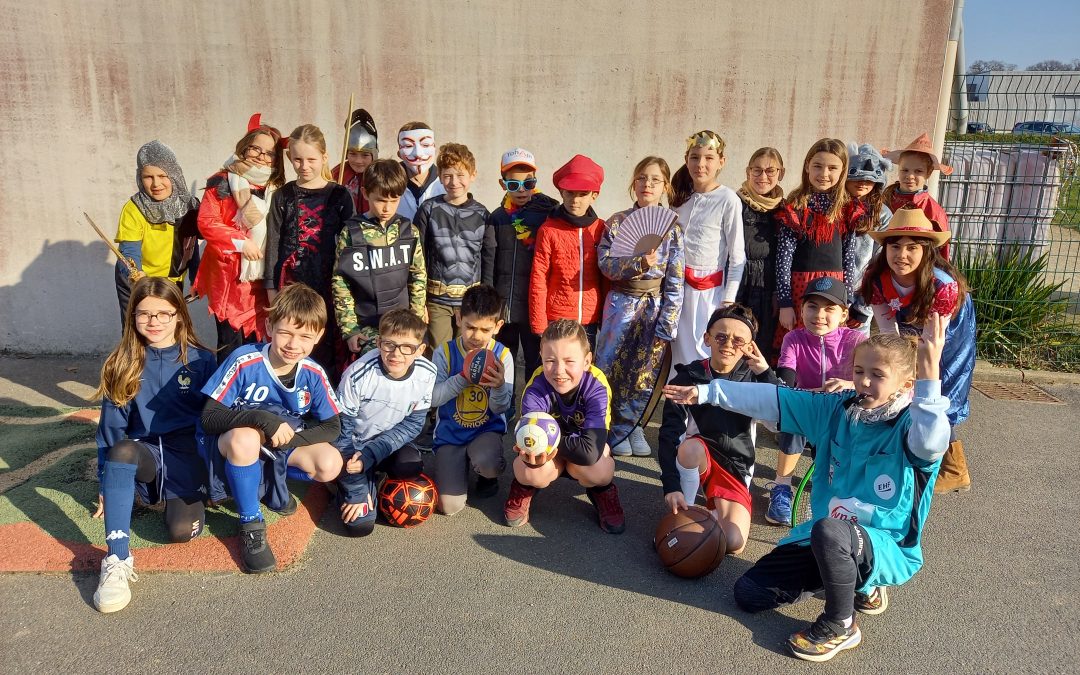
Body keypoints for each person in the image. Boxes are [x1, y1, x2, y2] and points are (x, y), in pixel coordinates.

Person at [664, 317, 953, 663]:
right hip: (823, 538)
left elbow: (932, 442)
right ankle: (851, 579)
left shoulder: (914, 425)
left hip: (886, 545)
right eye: (859, 371)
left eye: (877, 375)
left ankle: (841, 623)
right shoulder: (837, 408)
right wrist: (708, 391)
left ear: (906, 384)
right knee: (749, 593)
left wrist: (930, 381)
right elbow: (774, 399)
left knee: (832, 532)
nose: (864, 381)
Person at [91, 277, 217, 613]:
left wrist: (219, 479)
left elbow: (218, 421)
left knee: (180, 532)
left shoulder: (203, 361)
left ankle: (183, 497)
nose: (154, 322)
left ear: (180, 315)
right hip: (145, 453)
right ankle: (116, 559)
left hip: (188, 457)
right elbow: (111, 430)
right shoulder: (122, 362)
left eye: (163, 313)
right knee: (122, 451)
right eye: (144, 314)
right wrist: (106, 479)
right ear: (132, 317)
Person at [198, 284, 344, 573]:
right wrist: (262, 419)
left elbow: (332, 426)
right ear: (269, 326)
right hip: (230, 444)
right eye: (286, 332)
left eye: (305, 336)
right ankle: (250, 523)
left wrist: (286, 443)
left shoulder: (313, 372)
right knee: (247, 437)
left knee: (330, 463)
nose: (293, 344)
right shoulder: (245, 359)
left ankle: (264, 479)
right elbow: (209, 417)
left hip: (276, 447)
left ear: (318, 336)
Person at [861, 207, 975, 493]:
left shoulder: (943, 286)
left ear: (926, 251)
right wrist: (897, 371)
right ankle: (906, 454)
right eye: (895, 246)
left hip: (948, 330)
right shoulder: (876, 279)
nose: (902, 255)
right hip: (910, 326)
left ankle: (952, 467)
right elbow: (889, 333)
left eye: (912, 247)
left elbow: (931, 343)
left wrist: (913, 374)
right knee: (897, 379)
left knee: (941, 385)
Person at [658, 303, 778, 555]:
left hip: (734, 466)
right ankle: (685, 512)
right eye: (721, 336)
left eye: (738, 340)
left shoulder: (755, 379)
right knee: (690, 448)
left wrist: (766, 373)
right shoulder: (687, 377)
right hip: (696, 458)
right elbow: (669, 435)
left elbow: (778, 424)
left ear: (748, 347)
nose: (727, 344)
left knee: (732, 543)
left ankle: (711, 511)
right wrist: (671, 486)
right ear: (707, 338)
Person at [595, 156, 684, 456]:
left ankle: (634, 429)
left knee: (645, 370)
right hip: (620, 303)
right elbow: (606, 265)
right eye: (642, 178)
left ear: (665, 186)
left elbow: (675, 278)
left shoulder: (672, 228)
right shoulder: (617, 222)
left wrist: (668, 320)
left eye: (655, 180)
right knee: (610, 365)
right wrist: (637, 262)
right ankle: (609, 429)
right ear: (633, 183)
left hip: (655, 304)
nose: (647, 184)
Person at [503, 319, 626, 534]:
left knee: (599, 468)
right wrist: (533, 453)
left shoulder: (596, 385)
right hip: (559, 454)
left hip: (580, 454)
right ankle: (524, 487)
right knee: (529, 468)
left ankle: (602, 491)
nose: (559, 370)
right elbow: (531, 444)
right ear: (541, 357)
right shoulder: (536, 387)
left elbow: (589, 453)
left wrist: (547, 442)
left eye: (570, 361)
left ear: (587, 361)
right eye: (550, 360)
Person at [769, 277, 866, 525]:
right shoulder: (793, 339)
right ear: (801, 310)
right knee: (793, 410)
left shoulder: (856, 341)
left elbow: (871, 380)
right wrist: (803, 395)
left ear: (844, 314)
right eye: (812, 306)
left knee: (831, 466)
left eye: (829, 308)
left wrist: (847, 385)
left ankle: (829, 496)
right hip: (809, 409)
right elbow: (786, 380)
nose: (819, 314)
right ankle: (782, 486)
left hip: (842, 414)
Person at [334, 309, 437, 536]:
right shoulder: (356, 375)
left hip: (386, 446)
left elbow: (413, 424)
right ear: (379, 342)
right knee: (360, 527)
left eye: (407, 347)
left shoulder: (427, 372)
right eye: (389, 344)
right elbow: (341, 432)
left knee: (410, 464)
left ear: (420, 350)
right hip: (353, 449)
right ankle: (349, 482)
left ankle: (377, 480)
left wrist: (372, 454)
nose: (396, 354)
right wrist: (357, 486)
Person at [193, 113, 286, 362]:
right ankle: (226, 396)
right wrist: (240, 242)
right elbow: (207, 223)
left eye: (269, 153)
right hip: (229, 278)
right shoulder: (222, 183)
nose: (261, 156)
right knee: (230, 343)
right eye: (256, 148)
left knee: (261, 341)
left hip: (263, 279)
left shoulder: (278, 188)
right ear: (244, 147)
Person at [263, 124, 354, 373]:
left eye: (311, 159)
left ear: (324, 157)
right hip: (290, 284)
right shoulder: (283, 196)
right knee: (292, 343)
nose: (304, 166)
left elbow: (351, 246)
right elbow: (273, 243)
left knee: (325, 345)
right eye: (297, 160)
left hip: (328, 286)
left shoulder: (340, 196)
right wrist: (271, 290)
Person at [331, 158, 427, 361]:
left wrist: (416, 322)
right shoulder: (351, 232)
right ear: (365, 193)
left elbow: (418, 277)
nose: (387, 208)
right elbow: (341, 282)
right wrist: (350, 329)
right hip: (367, 328)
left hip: (403, 327)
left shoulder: (409, 231)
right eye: (381, 200)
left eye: (394, 200)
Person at [430, 285, 513, 514]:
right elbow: (433, 399)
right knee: (449, 507)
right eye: (470, 327)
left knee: (488, 463)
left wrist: (498, 387)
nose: (477, 336)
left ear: (497, 327)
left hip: (484, 431)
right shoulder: (444, 353)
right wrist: (463, 378)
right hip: (451, 434)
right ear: (458, 318)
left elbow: (502, 407)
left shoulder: (503, 355)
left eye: (485, 329)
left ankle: (487, 474)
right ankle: (457, 464)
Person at [774, 138, 866, 348]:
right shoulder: (796, 207)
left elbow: (849, 257)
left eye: (832, 168)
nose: (824, 174)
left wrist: (848, 300)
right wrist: (785, 303)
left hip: (834, 286)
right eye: (817, 166)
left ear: (842, 171)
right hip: (800, 288)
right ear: (807, 166)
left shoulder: (846, 209)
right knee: (798, 344)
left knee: (829, 344)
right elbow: (784, 257)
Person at [669, 130, 745, 367]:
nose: (700, 164)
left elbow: (737, 255)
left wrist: (728, 299)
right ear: (686, 159)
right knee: (677, 350)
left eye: (709, 158)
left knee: (704, 348)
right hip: (678, 289)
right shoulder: (678, 198)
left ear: (721, 162)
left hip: (710, 293)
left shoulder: (728, 199)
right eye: (694, 157)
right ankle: (676, 400)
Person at [414, 142, 494, 348]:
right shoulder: (429, 209)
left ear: (472, 175)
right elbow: (418, 256)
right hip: (436, 301)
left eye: (460, 175)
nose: (454, 182)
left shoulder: (483, 214)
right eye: (448, 175)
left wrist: (486, 298)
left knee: (468, 351)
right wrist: (419, 301)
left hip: (470, 302)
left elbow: (488, 257)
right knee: (438, 352)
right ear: (440, 176)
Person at [113, 140, 201, 324]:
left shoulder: (190, 205)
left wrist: (196, 277)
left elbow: (191, 246)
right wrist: (138, 277)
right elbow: (129, 251)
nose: (156, 183)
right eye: (148, 177)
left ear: (174, 175)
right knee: (139, 330)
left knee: (171, 329)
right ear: (139, 177)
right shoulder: (133, 209)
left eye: (162, 175)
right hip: (138, 280)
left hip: (171, 281)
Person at [489, 147, 558, 381]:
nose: (521, 190)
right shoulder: (497, 218)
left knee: (535, 362)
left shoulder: (549, 214)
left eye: (528, 184)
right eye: (513, 185)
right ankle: (504, 411)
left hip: (533, 307)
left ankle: (533, 410)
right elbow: (490, 261)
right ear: (503, 184)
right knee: (502, 362)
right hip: (504, 307)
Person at [529, 155, 606, 348]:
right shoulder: (548, 230)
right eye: (570, 193)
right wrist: (539, 323)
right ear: (561, 192)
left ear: (594, 195)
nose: (575, 200)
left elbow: (606, 278)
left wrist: (606, 318)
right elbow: (539, 277)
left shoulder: (601, 229)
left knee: (583, 372)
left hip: (589, 319)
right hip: (557, 318)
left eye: (582, 194)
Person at [734, 147, 785, 365]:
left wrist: (778, 293)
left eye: (770, 171)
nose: (763, 177)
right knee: (733, 337)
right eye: (757, 170)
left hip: (767, 287)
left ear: (781, 173)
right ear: (747, 172)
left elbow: (783, 255)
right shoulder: (734, 203)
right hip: (738, 283)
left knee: (761, 344)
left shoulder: (784, 208)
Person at [844, 143, 894, 335]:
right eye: (857, 177)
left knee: (856, 351)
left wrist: (863, 307)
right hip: (829, 293)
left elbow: (880, 263)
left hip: (860, 296)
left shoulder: (882, 215)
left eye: (869, 178)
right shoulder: (833, 208)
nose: (863, 182)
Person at [883, 133, 952, 258]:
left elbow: (941, 249)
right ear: (898, 169)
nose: (910, 176)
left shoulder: (934, 211)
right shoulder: (885, 199)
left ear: (929, 173)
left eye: (918, 171)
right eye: (905, 170)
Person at [330, 108, 378, 215]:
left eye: (365, 155)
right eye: (352, 154)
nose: (358, 160)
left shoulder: (381, 174)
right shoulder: (337, 174)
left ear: (373, 154)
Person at [395, 122, 446, 221]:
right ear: (399, 153)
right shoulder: (389, 181)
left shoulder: (446, 183)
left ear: (434, 148)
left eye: (425, 145)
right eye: (409, 146)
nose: (418, 153)